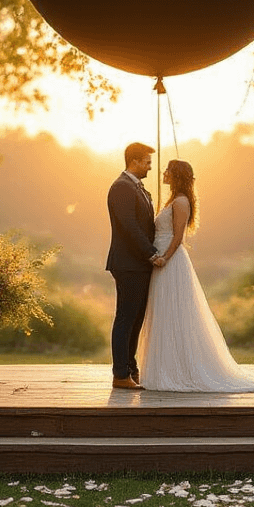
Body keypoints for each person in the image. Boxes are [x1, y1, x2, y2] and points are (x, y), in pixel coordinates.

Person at [139, 160, 254, 393]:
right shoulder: (173, 200)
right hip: (160, 260)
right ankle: (167, 366)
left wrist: (164, 257)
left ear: (176, 175)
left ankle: (182, 369)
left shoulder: (181, 201)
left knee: (174, 311)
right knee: (164, 311)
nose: (163, 173)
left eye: (167, 170)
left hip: (169, 262)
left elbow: (178, 236)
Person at [106, 142, 158, 390]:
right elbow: (130, 226)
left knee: (136, 318)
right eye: (147, 162)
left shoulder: (138, 188)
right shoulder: (122, 188)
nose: (150, 167)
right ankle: (120, 374)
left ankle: (131, 369)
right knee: (126, 318)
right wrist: (151, 253)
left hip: (138, 264)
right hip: (128, 263)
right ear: (135, 161)